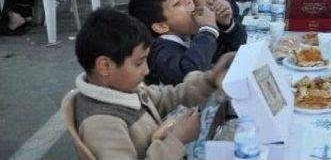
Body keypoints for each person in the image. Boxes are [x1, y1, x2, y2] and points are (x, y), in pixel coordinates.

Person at [69, 8, 234, 158]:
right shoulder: (101, 124)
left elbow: (168, 96)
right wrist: (177, 140)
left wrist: (210, 79)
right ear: (105, 66)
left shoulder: (124, 88)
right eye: (139, 63)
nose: (146, 71)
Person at [129, 0, 240, 85]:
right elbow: (188, 74)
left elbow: (233, 51)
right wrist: (208, 31)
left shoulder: (190, 35)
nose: (188, 1)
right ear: (162, 27)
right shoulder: (161, 53)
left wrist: (227, 25)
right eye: (177, 3)